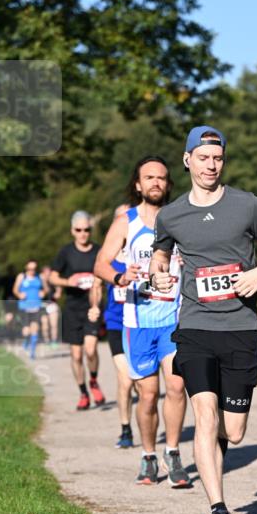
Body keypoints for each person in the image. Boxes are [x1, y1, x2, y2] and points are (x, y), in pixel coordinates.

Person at [149, 126, 257, 514]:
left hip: (240, 327)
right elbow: (161, 252)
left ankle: (216, 454)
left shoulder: (247, 205)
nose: (211, 165)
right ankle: (219, 512)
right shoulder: (171, 214)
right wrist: (158, 274)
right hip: (195, 327)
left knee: (234, 430)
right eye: (203, 158)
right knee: (204, 416)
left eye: (218, 158)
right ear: (188, 160)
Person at [94, 160, 189, 485]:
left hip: (174, 319)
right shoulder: (126, 222)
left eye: (162, 178)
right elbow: (100, 265)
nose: (156, 183)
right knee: (148, 395)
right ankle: (149, 454)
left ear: (168, 183)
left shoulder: (180, 217)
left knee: (177, 386)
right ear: (138, 184)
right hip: (138, 321)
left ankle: (173, 453)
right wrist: (120, 276)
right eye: (149, 178)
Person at [50, 211, 105, 411]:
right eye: (79, 230)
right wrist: (67, 281)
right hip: (72, 308)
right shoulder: (66, 252)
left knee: (90, 350)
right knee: (75, 355)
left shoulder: (99, 251)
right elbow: (52, 277)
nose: (83, 234)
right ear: (73, 231)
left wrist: (96, 306)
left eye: (87, 230)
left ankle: (93, 380)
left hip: (92, 308)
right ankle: (83, 393)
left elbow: (102, 281)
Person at [93, 204, 137, 450]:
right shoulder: (108, 255)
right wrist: (94, 306)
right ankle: (125, 428)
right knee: (125, 377)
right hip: (116, 323)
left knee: (143, 382)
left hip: (140, 321)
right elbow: (96, 284)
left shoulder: (143, 250)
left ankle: (144, 424)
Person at [12, 261, 48, 359]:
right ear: (26, 268)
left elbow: (46, 289)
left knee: (35, 329)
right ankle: (26, 340)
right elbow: (15, 289)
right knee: (26, 331)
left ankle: (32, 352)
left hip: (36, 306)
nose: (32, 271)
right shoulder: (21, 276)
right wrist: (19, 295)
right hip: (24, 306)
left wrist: (43, 292)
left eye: (34, 269)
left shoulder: (40, 277)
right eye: (30, 269)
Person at [39, 265, 61, 348]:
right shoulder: (39, 282)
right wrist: (43, 281)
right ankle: (46, 340)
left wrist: (58, 291)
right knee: (45, 325)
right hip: (43, 305)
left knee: (54, 324)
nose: (48, 273)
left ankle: (54, 341)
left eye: (49, 272)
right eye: (46, 272)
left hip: (52, 304)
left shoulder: (53, 281)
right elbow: (45, 291)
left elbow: (58, 289)